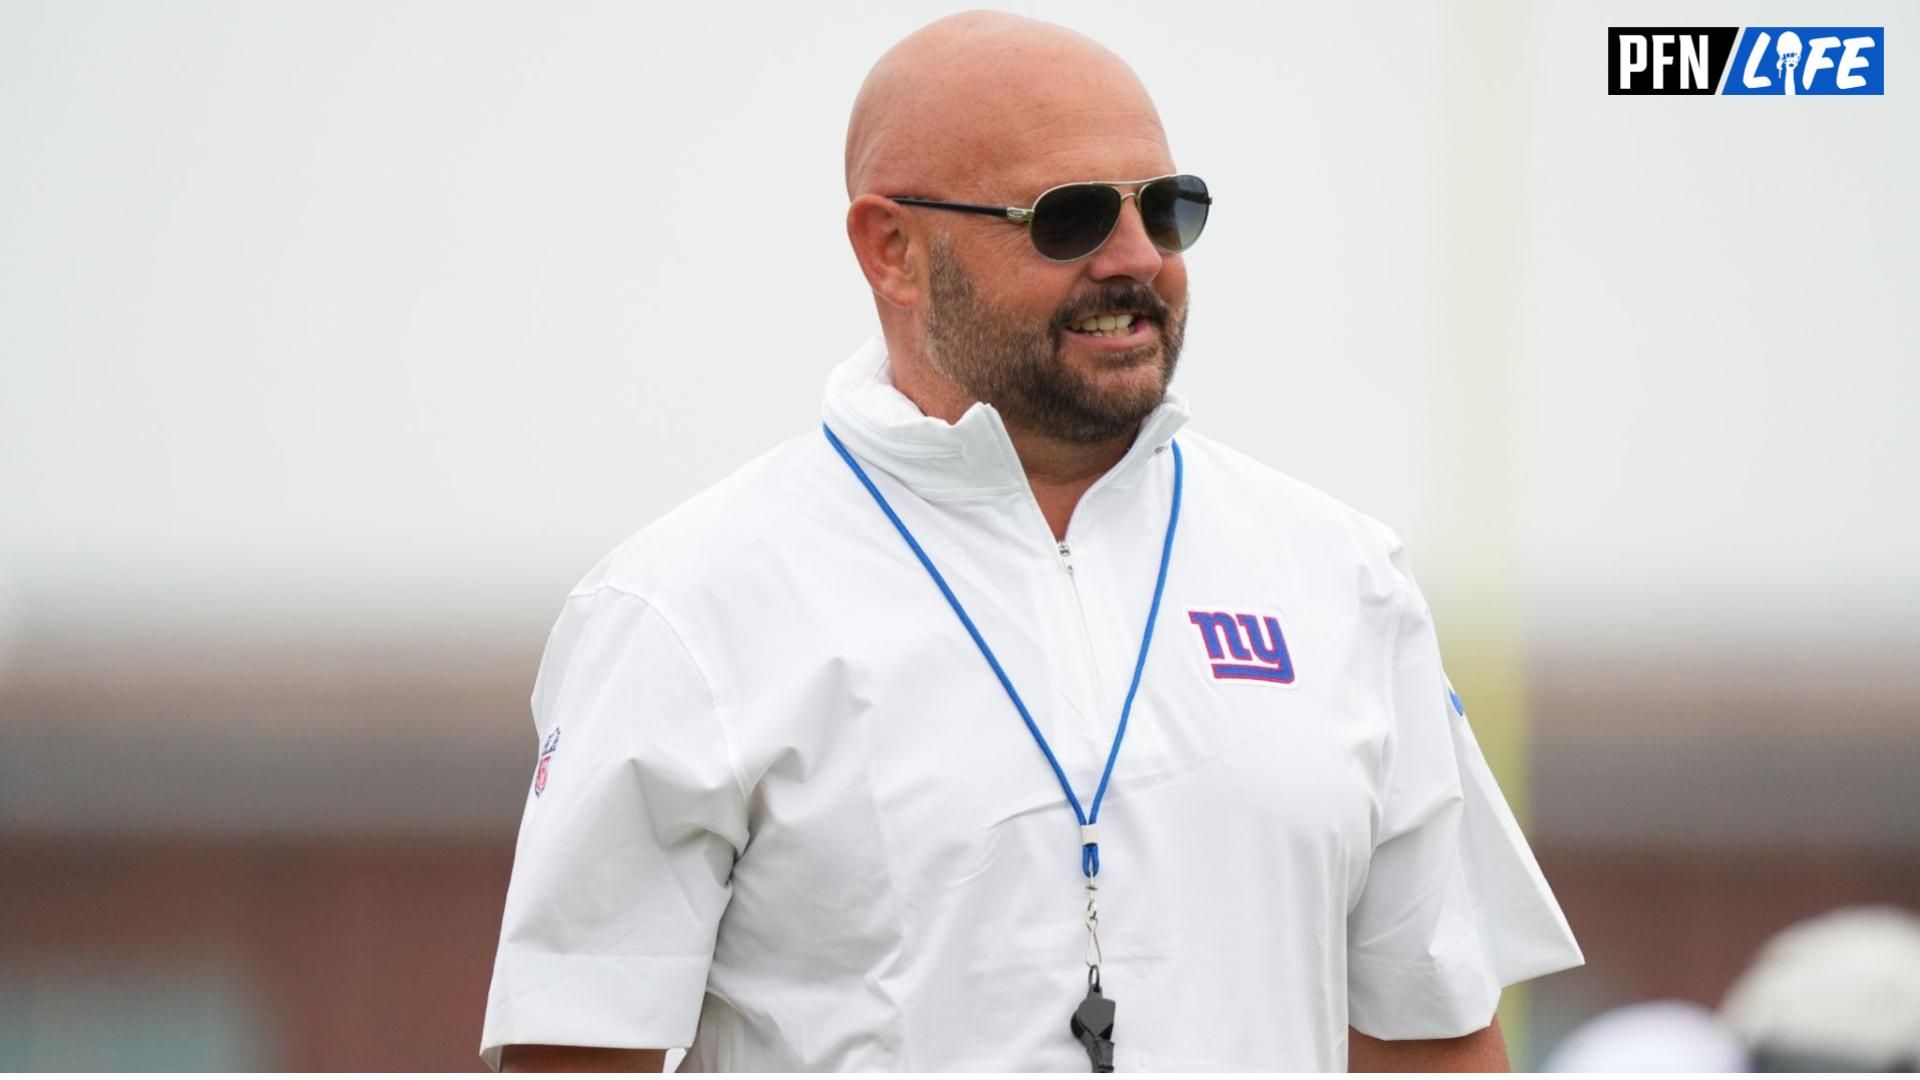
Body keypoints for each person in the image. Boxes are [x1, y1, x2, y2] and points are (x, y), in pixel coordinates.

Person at [480, 10, 1582, 1072]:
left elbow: (1433, 1043)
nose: (1135, 257)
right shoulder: (683, 607)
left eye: (1167, 208)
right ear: (893, 249)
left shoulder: (1341, 579)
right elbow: (577, 1056)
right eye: (1070, 216)